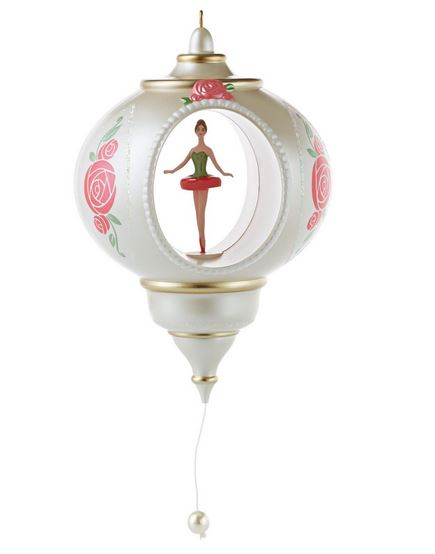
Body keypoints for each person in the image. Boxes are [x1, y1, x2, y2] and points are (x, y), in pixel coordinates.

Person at [164, 119, 233, 254]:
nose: (200, 132)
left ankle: (203, 241)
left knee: (201, 212)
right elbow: (183, 163)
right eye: (198, 129)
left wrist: (224, 173)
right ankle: (201, 243)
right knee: (197, 212)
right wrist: (172, 170)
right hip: (195, 181)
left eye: (202, 129)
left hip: (204, 181)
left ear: (205, 132)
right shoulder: (192, 150)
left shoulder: (208, 150)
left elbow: (216, 164)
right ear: (195, 132)